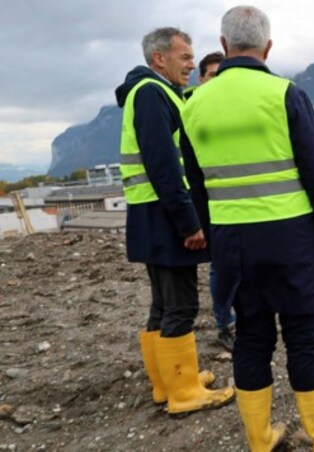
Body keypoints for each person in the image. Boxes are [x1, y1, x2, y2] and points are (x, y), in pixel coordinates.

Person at [182, 5, 314, 451]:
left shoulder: (194, 104)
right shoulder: (285, 94)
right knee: (304, 340)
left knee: (251, 338)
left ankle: (261, 439)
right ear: (267, 46)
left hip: (234, 245)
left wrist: (216, 241)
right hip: (292, 242)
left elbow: (198, 187)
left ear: (224, 47)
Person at [115, 26, 234, 417]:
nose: (190, 64)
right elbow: (163, 165)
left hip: (151, 214)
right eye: (185, 56)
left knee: (163, 303)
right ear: (159, 58)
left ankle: (167, 383)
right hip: (164, 216)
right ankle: (183, 392)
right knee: (180, 304)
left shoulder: (155, 92)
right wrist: (188, 222)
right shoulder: (151, 93)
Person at [185, 50, 237, 351]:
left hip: (234, 207)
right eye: (213, 75)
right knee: (220, 269)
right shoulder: (191, 109)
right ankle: (225, 324)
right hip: (206, 207)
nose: (219, 82)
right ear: (201, 78)